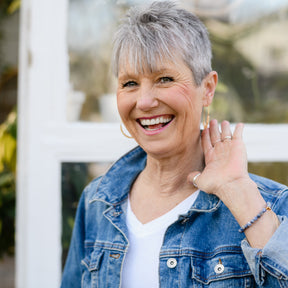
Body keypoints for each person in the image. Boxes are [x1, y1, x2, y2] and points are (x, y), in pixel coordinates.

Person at [61, 1, 288, 287]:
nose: (144, 101)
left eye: (164, 79)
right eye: (129, 83)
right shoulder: (97, 202)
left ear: (207, 89)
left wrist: (238, 192)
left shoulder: (273, 206)